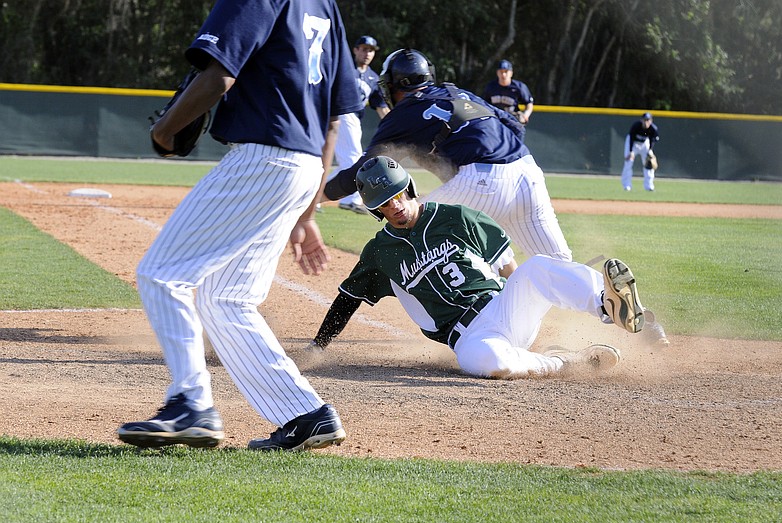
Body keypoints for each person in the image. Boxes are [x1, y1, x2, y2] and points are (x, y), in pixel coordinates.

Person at [117, 0, 362, 452]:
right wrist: (306, 210)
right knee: (226, 297)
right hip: (305, 164)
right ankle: (304, 414)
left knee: (162, 273)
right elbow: (334, 121)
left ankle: (190, 403)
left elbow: (219, 75)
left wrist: (165, 131)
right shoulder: (324, 5)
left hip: (262, 157)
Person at [311, 156, 649, 379]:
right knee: (486, 363)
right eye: (385, 204)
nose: (395, 206)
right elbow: (348, 298)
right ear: (376, 211)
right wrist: (317, 347)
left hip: (502, 306)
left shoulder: (455, 216)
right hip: (470, 336)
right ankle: (565, 362)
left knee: (539, 268)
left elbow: (509, 268)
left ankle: (606, 304)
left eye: (398, 194)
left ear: (409, 188)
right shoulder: (379, 253)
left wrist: (530, 298)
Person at [324, 48, 573, 261]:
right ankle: (602, 300)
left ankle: (480, 305)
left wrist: (314, 198)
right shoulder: (459, 93)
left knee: (407, 228)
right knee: (558, 265)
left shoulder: (403, 113)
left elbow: (366, 170)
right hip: (528, 172)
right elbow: (516, 127)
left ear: (395, 85)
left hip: (482, 181)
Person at [335, 35, 390, 215]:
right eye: (364, 49)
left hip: (353, 120)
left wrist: (393, 126)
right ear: (355, 50)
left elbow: (381, 108)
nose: (367, 53)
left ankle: (315, 196)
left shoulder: (373, 78)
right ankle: (350, 199)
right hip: (339, 113)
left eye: (371, 50)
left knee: (348, 160)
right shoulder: (342, 68)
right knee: (352, 157)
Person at [482, 59, 534, 124]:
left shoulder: (519, 87)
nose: (503, 74)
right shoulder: (491, 87)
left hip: (512, 120)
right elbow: (483, 104)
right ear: (497, 73)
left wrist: (525, 115)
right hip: (495, 120)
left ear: (511, 73)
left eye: (506, 71)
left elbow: (529, 103)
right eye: (501, 72)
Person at [621, 112, 660, 192]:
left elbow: (653, 140)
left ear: (651, 121)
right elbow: (631, 138)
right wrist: (631, 151)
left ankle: (649, 186)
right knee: (628, 163)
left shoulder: (653, 129)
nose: (646, 122)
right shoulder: (636, 126)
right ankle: (627, 185)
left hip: (645, 144)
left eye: (648, 120)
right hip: (633, 143)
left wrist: (650, 150)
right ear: (641, 120)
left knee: (649, 164)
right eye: (644, 120)